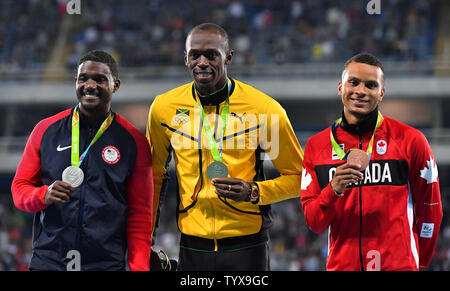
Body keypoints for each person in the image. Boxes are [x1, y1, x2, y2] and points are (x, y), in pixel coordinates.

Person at [146, 23, 303, 271]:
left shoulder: (265, 109)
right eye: (194, 55)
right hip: (192, 246)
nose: (202, 62)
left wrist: (254, 192)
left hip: (248, 248)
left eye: (212, 55)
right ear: (184, 57)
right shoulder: (163, 109)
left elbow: (300, 178)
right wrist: (145, 243)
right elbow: (153, 177)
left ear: (228, 57)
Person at [11, 50, 154, 271]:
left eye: (99, 79)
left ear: (115, 85)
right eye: (83, 78)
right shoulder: (45, 130)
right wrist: (43, 195)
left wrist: (139, 268)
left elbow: (140, 217)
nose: (90, 85)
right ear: (75, 82)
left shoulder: (134, 141)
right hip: (50, 262)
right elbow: (19, 189)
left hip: (105, 265)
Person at [300, 52, 443, 271]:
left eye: (371, 85)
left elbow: (430, 210)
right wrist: (334, 189)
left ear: (381, 93)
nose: (361, 91)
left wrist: (416, 262)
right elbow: (314, 222)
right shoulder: (316, 147)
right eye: (353, 83)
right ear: (341, 88)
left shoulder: (411, 140)